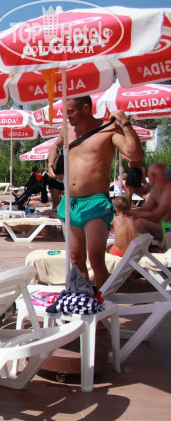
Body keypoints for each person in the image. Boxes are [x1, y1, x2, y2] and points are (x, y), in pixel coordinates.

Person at [47, 96, 142, 289]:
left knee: (96, 259)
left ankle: (102, 305)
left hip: (95, 201)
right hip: (70, 201)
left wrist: (125, 123)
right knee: (76, 258)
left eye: (70, 112)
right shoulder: (66, 130)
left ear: (85, 108)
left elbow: (135, 155)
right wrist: (51, 162)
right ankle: (83, 299)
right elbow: (56, 144)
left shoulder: (108, 129)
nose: (67, 116)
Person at [128, 163, 171, 241]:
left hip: (169, 228)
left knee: (140, 223)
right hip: (162, 225)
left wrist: (132, 212)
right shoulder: (154, 190)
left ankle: (149, 246)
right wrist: (130, 214)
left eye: (148, 174)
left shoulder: (168, 192)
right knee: (131, 219)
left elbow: (156, 216)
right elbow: (145, 209)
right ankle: (148, 245)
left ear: (153, 176)